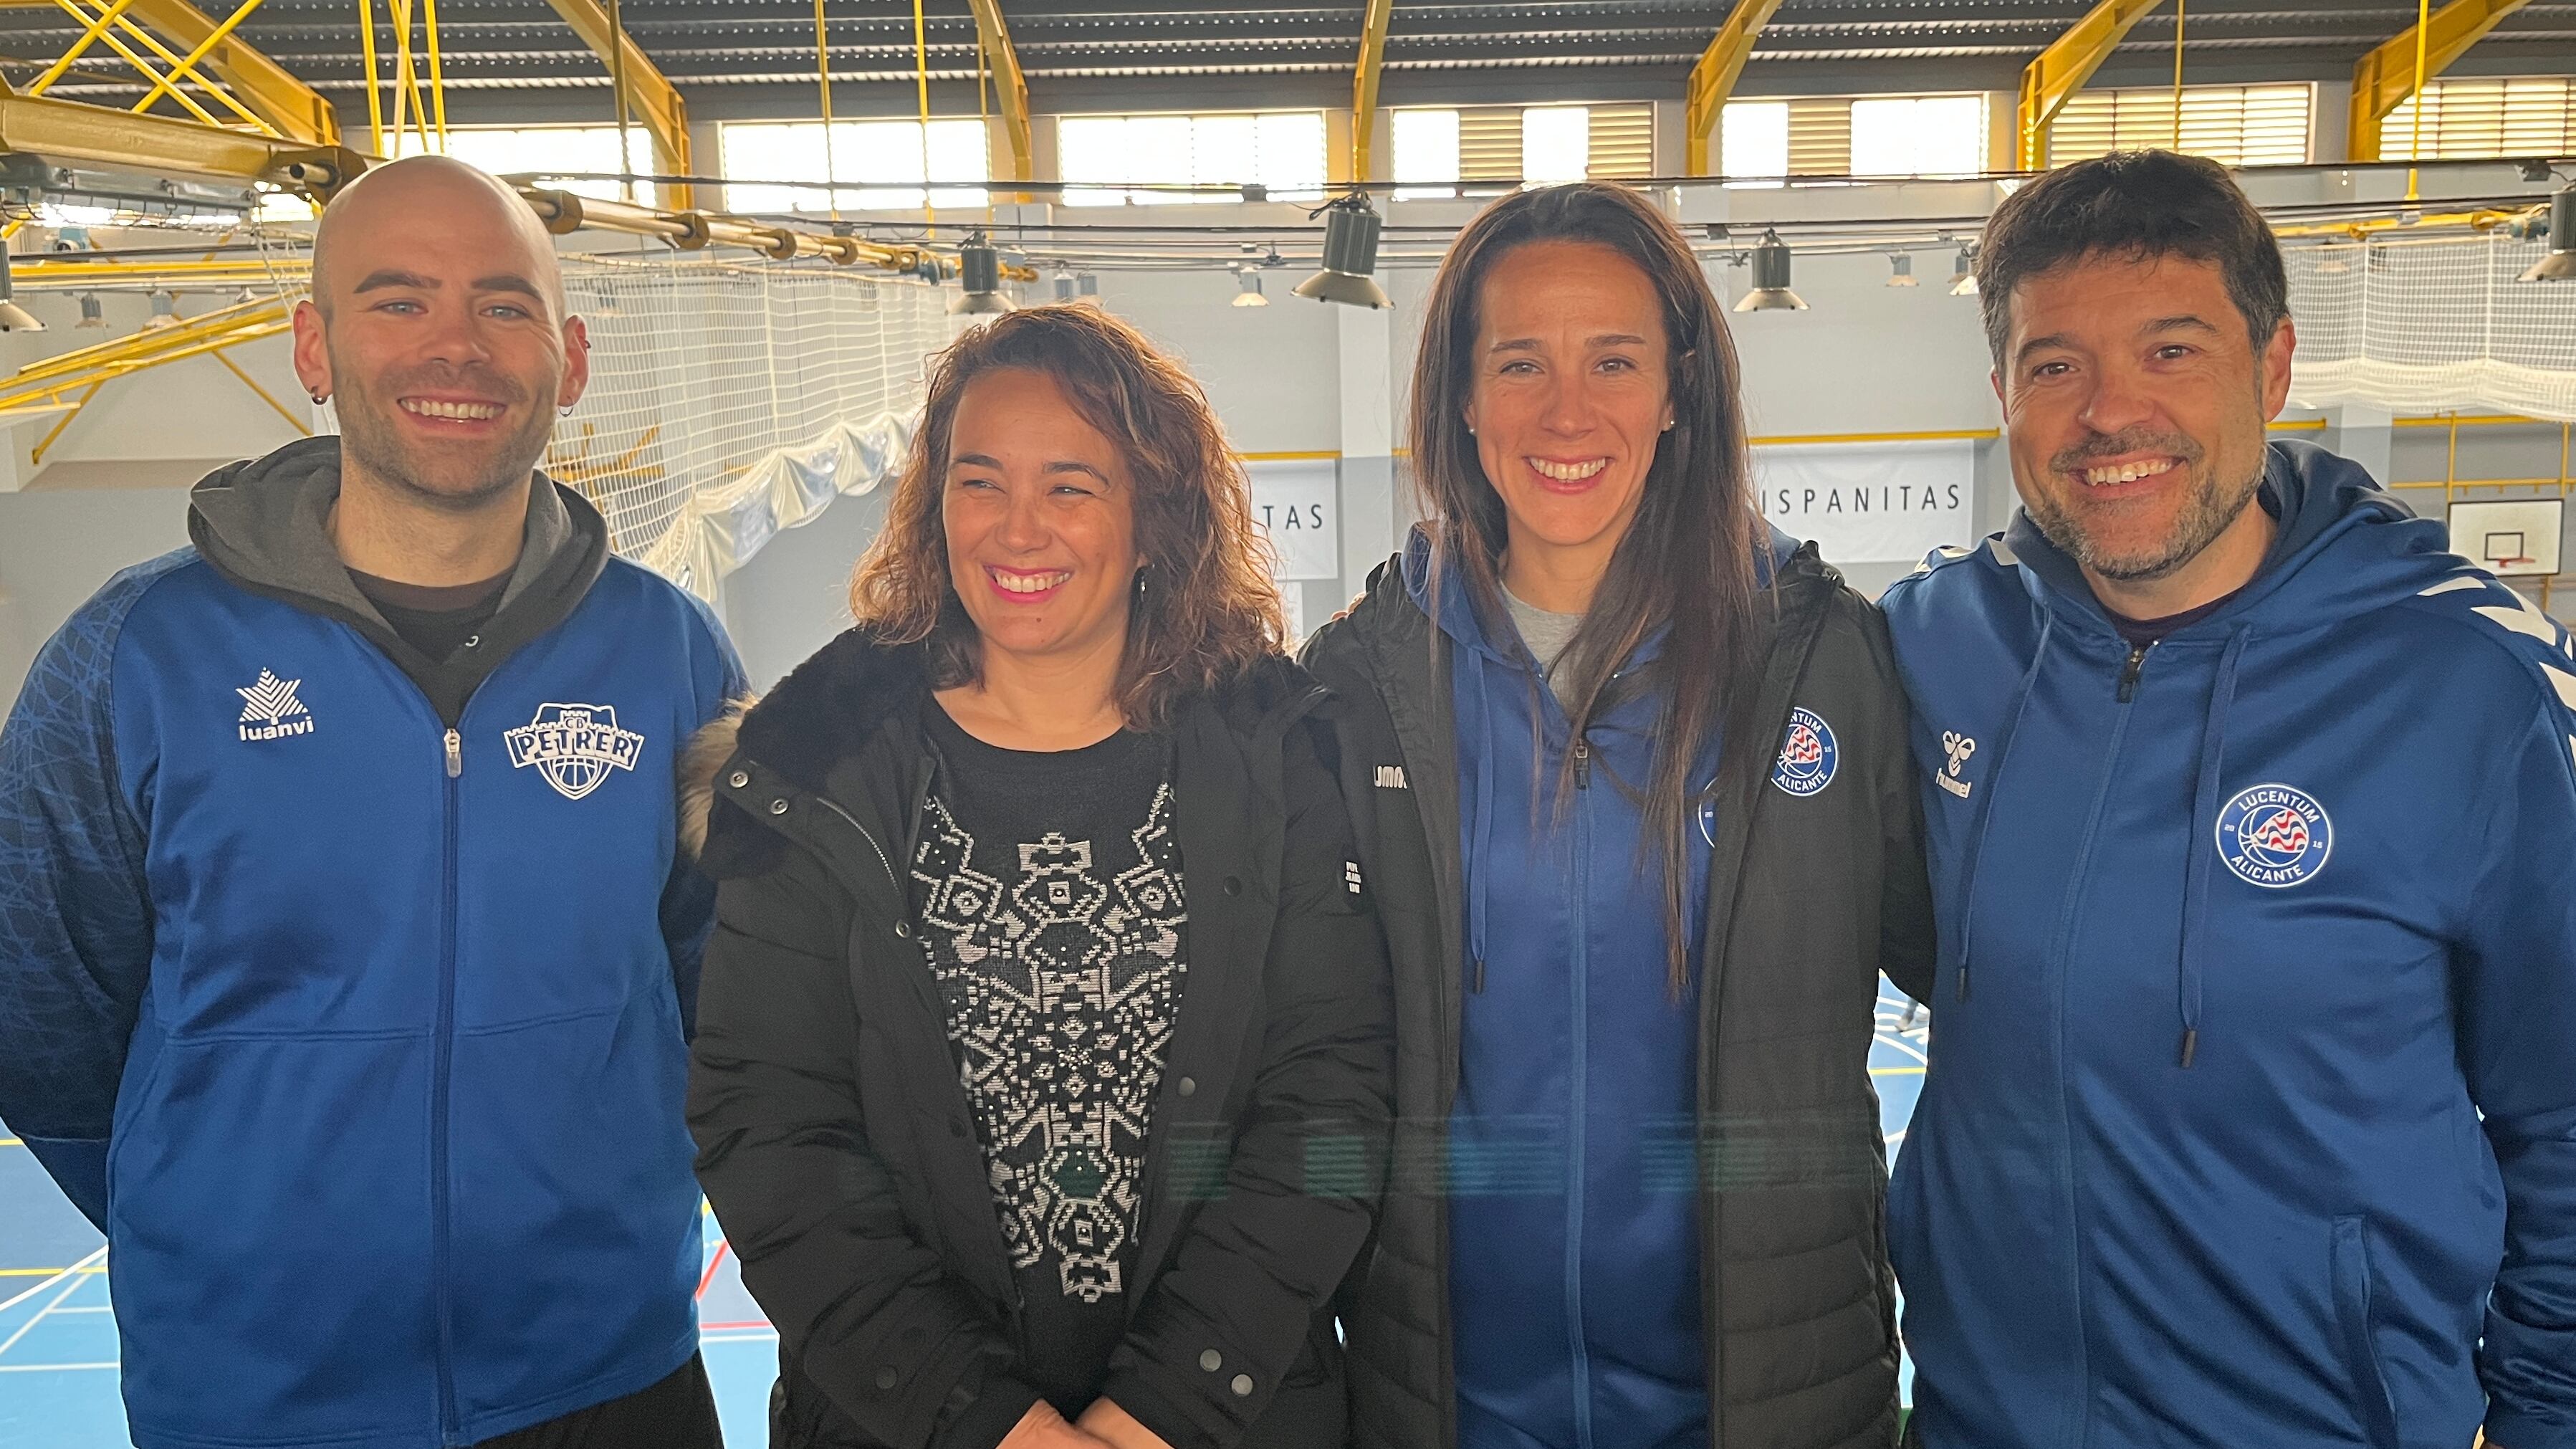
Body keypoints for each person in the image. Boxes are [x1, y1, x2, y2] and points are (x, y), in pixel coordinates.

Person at [0, 155, 742, 1447]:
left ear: (568, 359)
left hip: (608, 1380)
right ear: (313, 344)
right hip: (253, 1399)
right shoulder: (135, 657)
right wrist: (227, 1225)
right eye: (398, 300)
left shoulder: (674, 656)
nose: (456, 345)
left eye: (504, 305)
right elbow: (40, 1016)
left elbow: (721, 992)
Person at [1880, 148, 2576, 1449]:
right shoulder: (1934, 644)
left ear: (2273, 366)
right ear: (2003, 395)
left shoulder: (2468, 686)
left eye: (2171, 350)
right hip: (1978, 1419)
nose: (2108, 412)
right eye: (2055, 366)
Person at [683, 302, 1394, 1449]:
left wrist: (1162, 1407)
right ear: (934, 504)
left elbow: (1328, 1101)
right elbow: (771, 1126)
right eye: (980, 481)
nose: (1019, 531)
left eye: (1072, 485)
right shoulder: (816, 766)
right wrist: (990, 1426)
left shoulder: (1278, 755)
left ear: (1155, 517)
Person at [1301, 181, 1934, 1449]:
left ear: (1678, 391)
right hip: (1447, 1408)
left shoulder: (1826, 662)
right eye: (1521, 361)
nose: (1568, 410)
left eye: (1615, 360)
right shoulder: (1357, 685)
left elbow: (1993, 986)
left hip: (1770, 1406)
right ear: (1463, 400)